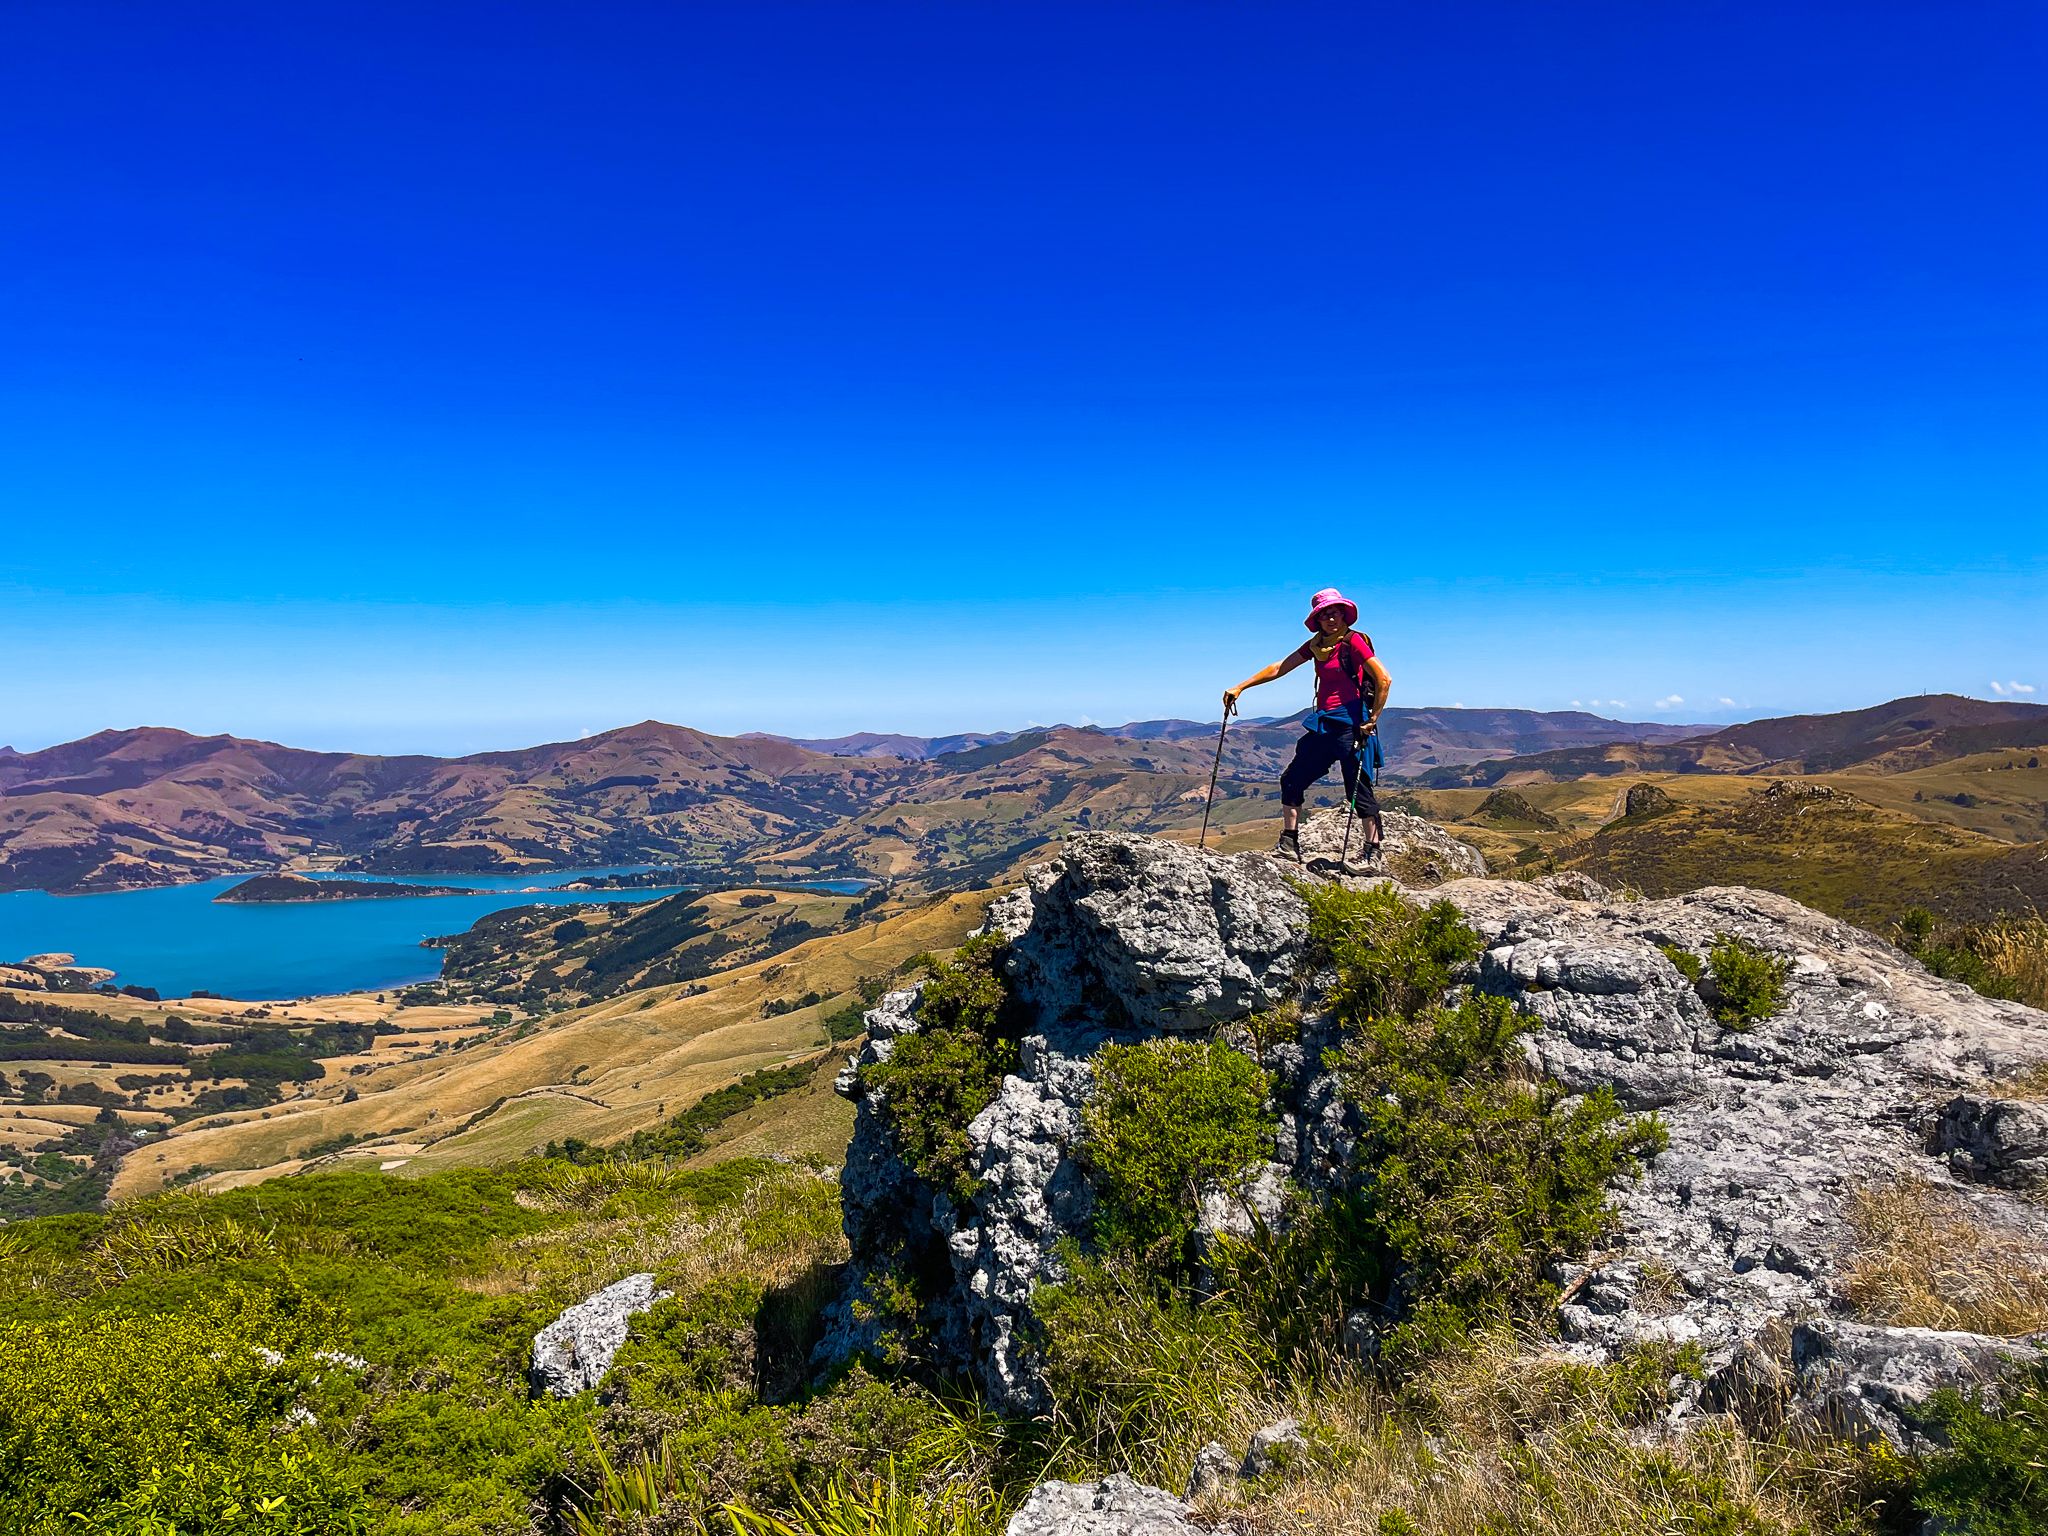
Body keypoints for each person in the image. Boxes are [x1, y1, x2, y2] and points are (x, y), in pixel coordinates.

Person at [1224, 587, 1391, 864]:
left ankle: (1373, 853)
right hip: (1324, 724)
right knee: (1292, 779)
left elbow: (1383, 679)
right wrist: (1241, 686)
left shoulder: (1354, 642)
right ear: (1318, 619)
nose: (1330, 619)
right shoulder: (1316, 646)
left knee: (1357, 788)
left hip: (1352, 724)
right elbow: (1280, 667)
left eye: (1335, 613)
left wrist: (1372, 720)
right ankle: (1289, 842)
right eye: (1324, 614)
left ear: (1344, 615)